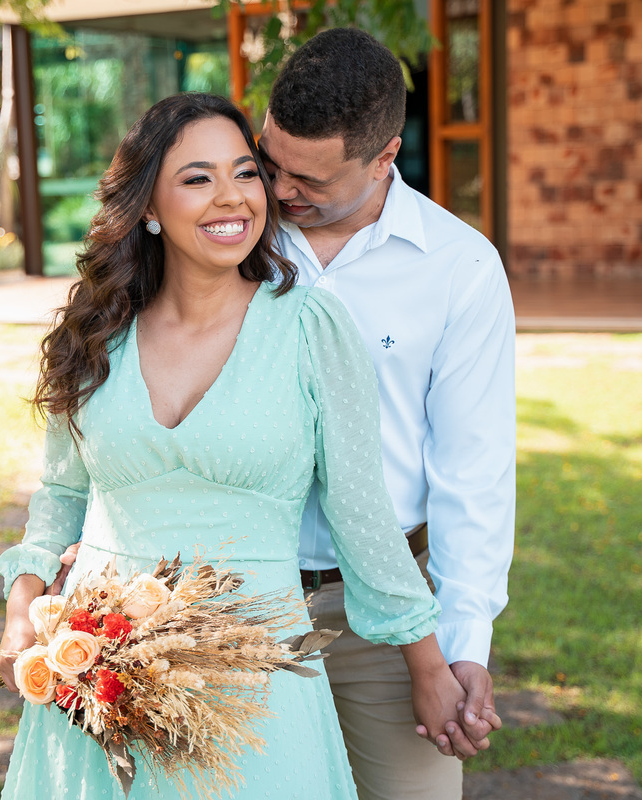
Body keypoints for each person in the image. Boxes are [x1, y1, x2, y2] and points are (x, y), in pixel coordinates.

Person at [0, 92, 465, 799]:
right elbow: (61, 494)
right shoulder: (94, 336)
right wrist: (21, 610)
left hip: (257, 682)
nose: (232, 197)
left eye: (246, 173)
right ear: (148, 207)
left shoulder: (310, 327)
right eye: (197, 178)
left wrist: (429, 666)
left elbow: (362, 514)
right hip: (96, 676)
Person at [258, 28, 517, 800]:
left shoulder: (460, 268)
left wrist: (464, 645)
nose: (278, 190)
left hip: (392, 618)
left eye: (308, 178)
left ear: (384, 158)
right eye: (270, 161)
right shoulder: (228, 239)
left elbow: (473, 470)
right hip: (238, 596)